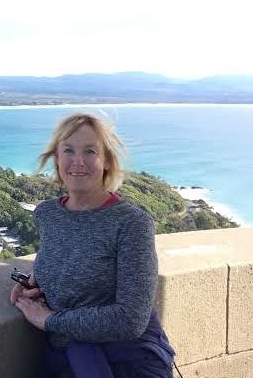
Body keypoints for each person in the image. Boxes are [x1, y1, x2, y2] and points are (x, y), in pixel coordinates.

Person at [10, 112, 175, 378]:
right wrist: (36, 280)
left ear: (107, 161)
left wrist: (49, 320)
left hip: (124, 364)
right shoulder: (47, 214)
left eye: (90, 151)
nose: (78, 162)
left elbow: (130, 319)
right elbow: (66, 257)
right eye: (68, 151)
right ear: (56, 159)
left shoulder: (131, 223)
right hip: (64, 362)